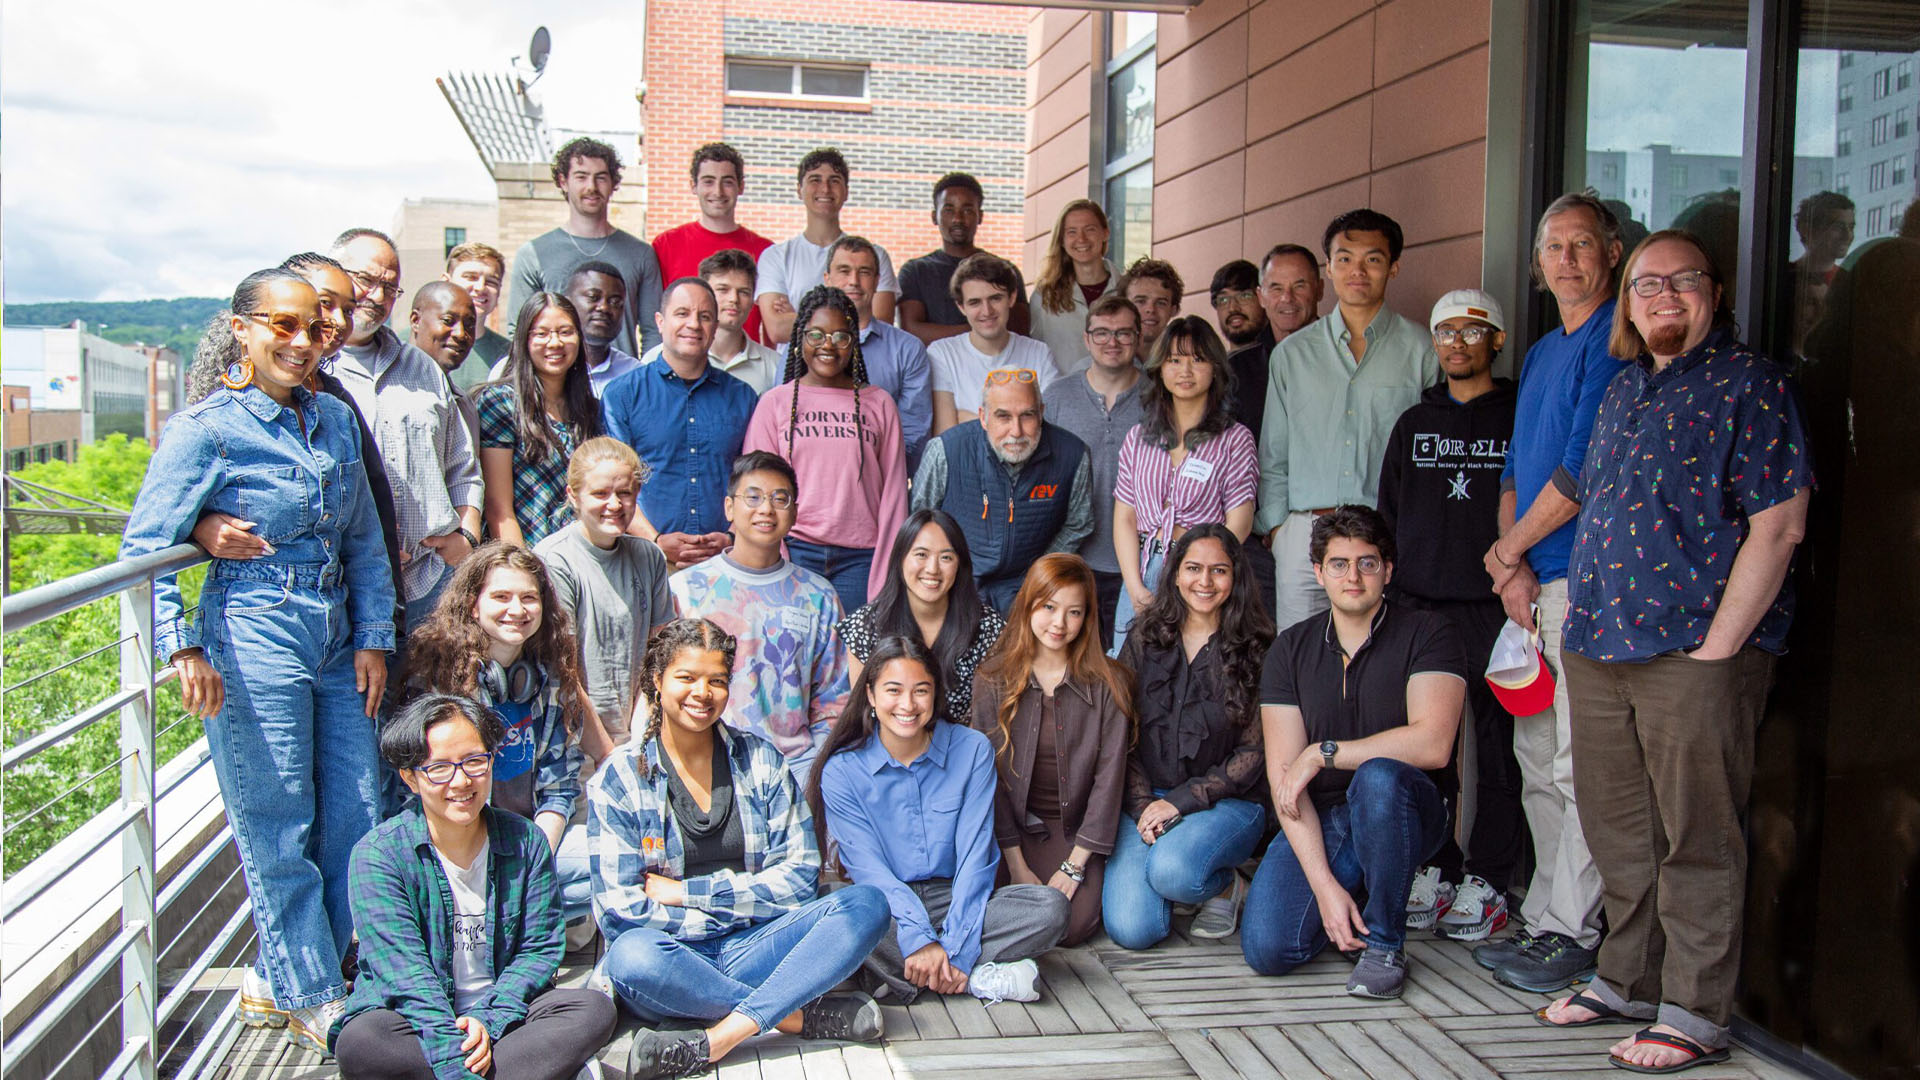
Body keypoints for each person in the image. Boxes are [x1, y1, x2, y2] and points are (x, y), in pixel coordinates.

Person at [1535, 230, 1812, 1074]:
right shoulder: (1624, 389)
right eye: (1646, 284)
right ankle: (1626, 976)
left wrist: (1719, 648)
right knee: (1619, 831)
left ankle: (1694, 1010)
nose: (1661, 295)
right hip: (1599, 643)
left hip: (1692, 653)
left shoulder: (1751, 384)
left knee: (1697, 835)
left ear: (1713, 292)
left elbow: (1780, 525)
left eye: (1681, 281)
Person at [119, 268, 395, 1052]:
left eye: (312, 327)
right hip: (252, 625)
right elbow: (144, 549)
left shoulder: (334, 422)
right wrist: (182, 646)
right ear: (242, 329)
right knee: (277, 820)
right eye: (282, 325)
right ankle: (311, 991)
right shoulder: (205, 429)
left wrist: (375, 635)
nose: (301, 342)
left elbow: (365, 538)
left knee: (357, 813)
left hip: (338, 627)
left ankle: (297, 972)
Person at [592, 620, 892, 1080]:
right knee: (630, 956)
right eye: (686, 678)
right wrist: (740, 904)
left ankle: (714, 1037)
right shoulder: (621, 777)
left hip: (753, 945)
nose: (702, 693)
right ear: (656, 680)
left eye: (716, 680)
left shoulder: (762, 760)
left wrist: (691, 894)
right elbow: (621, 909)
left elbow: (798, 879)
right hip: (671, 954)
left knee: (865, 904)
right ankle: (797, 1016)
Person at [1476, 192, 1623, 992]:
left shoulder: (1613, 339)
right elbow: (1513, 471)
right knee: (1535, 758)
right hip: (1532, 584)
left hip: (1582, 581)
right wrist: (1511, 565)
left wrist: (1512, 551)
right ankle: (1542, 916)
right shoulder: (1539, 353)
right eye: (1553, 248)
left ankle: (1575, 927)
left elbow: (1579, 470)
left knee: (1577, 763)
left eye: (1581, 245)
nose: (1565, 260)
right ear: (1537, 264)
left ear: (1611, 251)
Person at [1241, 507, 1466, 1000]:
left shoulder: (1429, 632)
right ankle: (1358, 890)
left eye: (1367, 563)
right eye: (1339, 564)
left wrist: (1324, 754)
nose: (1354, 576)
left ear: (1388, 569)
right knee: (1268, 948)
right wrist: (1323, 886)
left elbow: (1433, 745)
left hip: (1408, 808)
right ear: (1318, 572)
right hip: (1324, 815)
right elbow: (1286, 782)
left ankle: (1385, 942)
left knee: (1379, 778)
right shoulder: (1290, 649)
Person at [330, 694, 616, 1080]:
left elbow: (539, 950)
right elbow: (404, 974)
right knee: (362, 1043)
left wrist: (487, 1019)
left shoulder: (525, 841)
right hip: (415, 1019)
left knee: (594, 1010)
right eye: (440, 769)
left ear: (491, 762)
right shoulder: (379, 855)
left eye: (474, 762)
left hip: (503, 1014)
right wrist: (453, 1057)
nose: (461, 781)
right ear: (411, 777)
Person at [1376, 289, 1524, 941]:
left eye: (1472, 332)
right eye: (1445, 333)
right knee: (1428, 750)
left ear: (1496, 341)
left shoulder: (1518, 416)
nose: (1457, 344)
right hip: (1420, 608)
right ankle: (1436, 865)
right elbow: (1387, 515)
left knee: (1496, 749)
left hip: (1494, 609)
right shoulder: (1413, 424)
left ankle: (1489, 877)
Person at [810, 635, 1071, 1005]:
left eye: (921, 690)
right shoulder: (842, 770)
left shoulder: (971, 749)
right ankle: (977, 979)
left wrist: (957, 945)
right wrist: (918, 937)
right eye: (893, 690)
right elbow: (870, 871)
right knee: (828, 912)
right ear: (869, 695)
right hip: (887, 906)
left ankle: (905, 978)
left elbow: (975, 858)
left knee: (1051, 908)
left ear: (935, 695)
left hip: (957, 897)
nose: (907, 704)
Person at [187, 252, 407, 633]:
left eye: (345, 310)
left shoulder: (334, 405)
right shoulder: (218, 414)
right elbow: (177, 501)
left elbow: (365, 526)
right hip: (262, 628)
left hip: (348, 621)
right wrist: (198, 526)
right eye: (325, 306)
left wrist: (378, 623)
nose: (336, 322)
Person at [1256, 209, 1436, 632]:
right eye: (1344, 258)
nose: (1357, 271)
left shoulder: (1423, 350)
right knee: (1302, 659)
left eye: (1372, 259)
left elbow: (1426, 455)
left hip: (1382, 532)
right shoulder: (1292, 355)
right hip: (1305, 533)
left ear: (1393, 267)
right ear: (1329, 269)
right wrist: (1281, 531)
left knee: (1380, 658)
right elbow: (1274, 451)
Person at [405, 543, 598, 918]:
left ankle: (515, 919)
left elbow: (559, 789)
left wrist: (532, 862)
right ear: (473, 605)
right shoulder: (440, 681)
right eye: (501, 596)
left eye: (529, 597)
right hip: (458, 849)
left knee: (623, 857)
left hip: (527, 843)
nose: (517, 609)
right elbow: (429, 795)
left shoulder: (548, 677)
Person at [1103, 525, 1273, 948]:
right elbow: (1123, 731)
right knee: (1132, 930)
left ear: (1235, 579)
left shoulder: (1260, 647)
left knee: (1173, 872)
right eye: (1194, 568)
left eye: (1219, 570)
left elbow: (1254, 752)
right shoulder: (1144, 636)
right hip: (1147, 796)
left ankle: (1226, 887)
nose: (1205, 581)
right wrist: (1146, 805)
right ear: (1175, 573)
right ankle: (1200, 881)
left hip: (1228, 801)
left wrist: (1178, 803)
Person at [970, 553, 1131, 945]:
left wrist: (1075, 865)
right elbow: (986, 781)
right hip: (1008, 831)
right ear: (1028, 605)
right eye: (1049, 607)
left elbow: (1109, 783)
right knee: (983, 907)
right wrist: (1016, 865)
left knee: (1071, 926)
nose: (1059, 624)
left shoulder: (1108, 685)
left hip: (1074, 832)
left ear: (1087, 617)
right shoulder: (992, 680)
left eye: (1073, 612)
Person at [331, 228, 484, 633]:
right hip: (344, 588)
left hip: (429, 584)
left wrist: (466, 538)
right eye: (365, 280)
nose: (377, 297)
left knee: (431, 696)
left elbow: (463, 469)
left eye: (390, 287)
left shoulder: (422, 369)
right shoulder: (310, 367)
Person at [669, 452, 851, 780]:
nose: (766, 508)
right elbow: (662, 687)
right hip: (703, 766)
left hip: (793, 768)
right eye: (753, 497)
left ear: (795, 512)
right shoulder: (687, 589)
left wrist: (817, 770)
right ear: (729, 508)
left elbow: (833, 701)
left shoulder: (817, 595)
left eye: (780, 498)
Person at [746, 285, 911, 613]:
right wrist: (772, 557)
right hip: (795, 551)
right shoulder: (775, 403)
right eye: (816, 335)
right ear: (799, 339)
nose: (828, 346)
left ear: (854, 343)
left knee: (851, 663)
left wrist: (885, 572)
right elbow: (756, 489)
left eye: (841, 336)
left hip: (861, 560)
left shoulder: (878, 403)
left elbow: (894, 496)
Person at [1111, 316, 1259, 651]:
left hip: (1204, 575)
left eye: (1198, 359)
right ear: (1160, 369)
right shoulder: (1138, 438)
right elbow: (1125, 518)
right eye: (1174, 360)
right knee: (1129, 670)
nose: (1185, 371)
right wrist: (1135, 587)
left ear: (1216, 368)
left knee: (1198, 668)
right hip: (1147, 565)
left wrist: (1203, 570)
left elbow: (1240, 520)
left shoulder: (1235, 439)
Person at [601, 277, 757, 569]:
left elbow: (754, 478)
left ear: (715, 328)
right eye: (682, 313)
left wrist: (731, 536)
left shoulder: (743, 398)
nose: (694, 324)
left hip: (725, 562)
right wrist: (656, 541)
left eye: (705, 316)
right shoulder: (622, 395)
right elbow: (615, 483)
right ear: (660, 321)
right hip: (644, 560)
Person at [911, 371, 1094, 611]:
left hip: (1028, 591)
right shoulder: (946, 450)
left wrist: (1038, 575)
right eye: (1003, 417)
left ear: (1041, 413)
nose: (1016, 431)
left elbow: (1079, 523)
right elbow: (920, 520)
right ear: (983, 417)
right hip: (956, 585)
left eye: (1027, 416)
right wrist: (945, 572)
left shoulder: (1073, 454)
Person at [533, 437, 671, 743]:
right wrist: (605, 753)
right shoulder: (555, 559)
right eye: (600, 494)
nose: (614, 504)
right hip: (577, 738)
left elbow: (659, 654)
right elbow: (563, 671)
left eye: (625, 493)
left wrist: (640, 739)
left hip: (637, 730)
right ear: (573, 496)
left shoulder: (649, 557)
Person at [1041, 295, 1145, 648]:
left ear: (1139, 337)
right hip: (1074, 557)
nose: (1112, 343)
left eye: (1123, 333)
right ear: (1086, 339)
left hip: (1140, 565)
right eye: (1101, 333)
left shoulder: (1160, 399)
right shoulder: (1057, 397)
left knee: (1129, 665)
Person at [837, 509, 1008, 724]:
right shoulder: (865, 626)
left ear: (960, 565)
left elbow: (985, 721)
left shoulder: (988, 629)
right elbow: (861, 716)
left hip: (960, 750)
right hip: (886, 749)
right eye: (921, 555)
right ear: (900, 559)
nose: (932, 568)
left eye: (946, 557)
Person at [508, 136, 663, 355]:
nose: (591, 187)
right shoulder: (533, 254)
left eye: (600, 178)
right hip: (557, 383)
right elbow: (519, 331)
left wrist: (647, 381)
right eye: (581, 177)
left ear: (613, 184)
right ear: (564, 181)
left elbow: (654, 332)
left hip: (623, 382)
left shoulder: (641, 254)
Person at [474, 293, 604, 547]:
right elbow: (498, 509)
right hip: (526, 556)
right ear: (524, 340)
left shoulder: (590, 409)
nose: (555, 342)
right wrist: (527, 573)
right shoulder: (500, 403)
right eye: (541, 334)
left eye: (565, 332)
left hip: (580, 558)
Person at [756, 147, 900, 344]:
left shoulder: (875, 255)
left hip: (861, 369)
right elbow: (777, 329)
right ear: (799, 189)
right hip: (797, 372)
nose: (825, 189)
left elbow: (880, 323)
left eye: (834, 181)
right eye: (815, 180)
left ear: (846, 191)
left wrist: (801, 316)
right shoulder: (775, 257)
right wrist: (853, 313)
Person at [815, 236, 934, 467]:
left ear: (878, 281)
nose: (854, 281)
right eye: (844, 270)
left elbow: (914, 433)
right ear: (827, 279)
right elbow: (786, 420)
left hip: (880, 481)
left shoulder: (907, 350)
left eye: (864, 272)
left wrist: (873, 474)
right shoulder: (802, 348)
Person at [650, 142, 773, 343]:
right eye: (708, 181)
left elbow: (769, 328)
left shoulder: (765, 251)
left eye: (727, 182)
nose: (718, 191)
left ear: (741, 186)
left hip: (745, 365)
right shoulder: (666, 245)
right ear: (693, 186)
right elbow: (655, 319)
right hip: (682, 364)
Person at [929, 253, 1059, 432]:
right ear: (961, 307)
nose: (987, 311)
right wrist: (1022, 421)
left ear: (1012, 298)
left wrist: (965, 417)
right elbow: (946, 435)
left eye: (995, 298)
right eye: (975, 302)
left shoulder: (1039, 353)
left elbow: (1050, 429)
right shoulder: (942, 354)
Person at [897, 172, 1030, 344]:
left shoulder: (1004, 270)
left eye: (967, 210)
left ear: (980, 216)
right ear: (934, 216)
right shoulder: (915, 271)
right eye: (949, 209)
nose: (958, 218)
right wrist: (982, 328)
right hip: (936, 369)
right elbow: (911, 332)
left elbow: (1019, 330)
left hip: (997, 369)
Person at [637, 248, 782, 394]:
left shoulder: (775, 366)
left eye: (743, 292)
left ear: (753, 300)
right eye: (723, 289)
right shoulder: (656, 358)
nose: (734, 299)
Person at [1028, 199, 1119, 372]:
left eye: (1090, 229)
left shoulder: (1126, 290)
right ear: (1062, 240)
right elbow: (1034, 353)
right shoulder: (1044, 296)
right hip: (1061, 397)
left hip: (1118, 396)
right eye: (1072, 232)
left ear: (1105, 233)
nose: (1081, 239)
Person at [1211, 260, 1274, 438]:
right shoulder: (1214, 367)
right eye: (1223, 299)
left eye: (1244, 296)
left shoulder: (1277, 359)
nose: (1233, 307)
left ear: (1262, 297)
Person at [560, 261, 642, 396]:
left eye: (615, 302)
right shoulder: (549, 368)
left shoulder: (635, 376)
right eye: (593, 297)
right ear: (567, 303)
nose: (604, 307)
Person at [445, 241, 512, 374]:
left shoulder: (509, 354)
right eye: (471, 277)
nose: (480, 287)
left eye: (491, 282)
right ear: (446, 281)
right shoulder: (413, 342)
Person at [1258, 242, 1325, 350]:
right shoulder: (1237, 364)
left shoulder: (1347, 352)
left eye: (1299, 286)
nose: (1287, 298)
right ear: (1260, 297)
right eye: (1277, 289)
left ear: (1319, 290)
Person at [1118, 258, 1183, 363]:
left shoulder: (1186, 366)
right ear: (1123, 307)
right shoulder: (1094, 369)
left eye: (1161, 303)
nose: (1150, 309)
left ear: (1174, 310)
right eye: (1140, 301)